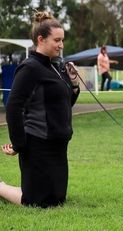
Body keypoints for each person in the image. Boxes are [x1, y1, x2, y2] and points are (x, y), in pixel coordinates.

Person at [0, 11, 80, 208]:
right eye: (57, 40)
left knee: (57, 199)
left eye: (62, 40)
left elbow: (64, 103)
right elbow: (13, 107)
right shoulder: (30, 68)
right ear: (41, 39)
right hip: (37, 143)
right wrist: (19, 144)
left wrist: (75, 83)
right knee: (36, 202)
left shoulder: (57, 67)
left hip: (58, 144)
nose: (61, 45)